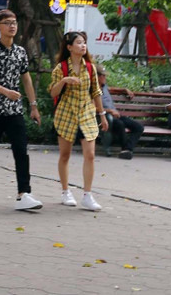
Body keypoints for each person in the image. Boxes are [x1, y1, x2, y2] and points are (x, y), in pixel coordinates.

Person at [0, 9, 42, 211]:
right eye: (7, 22)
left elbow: (26, 80)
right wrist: (6, 92)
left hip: (15, 110)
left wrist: (33, 105)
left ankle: (24, 193)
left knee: (21, 151)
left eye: (14, 22)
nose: (12, 26)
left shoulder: (20, 52)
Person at [49, 30, 107, 211]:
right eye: (79, 43)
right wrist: (65, 80)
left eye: (84, 42)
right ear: (69, 47)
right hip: (66, 114)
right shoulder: (61, 69)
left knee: (90, 154)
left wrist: (102, 115)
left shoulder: (90, 68)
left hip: (87, 114)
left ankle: (87, 195)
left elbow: (96, 92)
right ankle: (65, 191)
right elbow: (53, 92)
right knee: (65, 155)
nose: (83, 46)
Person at [97, 66, 144, 159]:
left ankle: (126, 149)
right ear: (97, 76)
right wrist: (110, 111)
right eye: (104, 76)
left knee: (139, 127)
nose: (105, 78)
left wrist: (124, 89)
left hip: (116, 116)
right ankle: (126, 150)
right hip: (105, 119)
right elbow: (91, 108)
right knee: (120, 124)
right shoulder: (93, 90)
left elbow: (113, 89)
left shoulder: (104, 87)